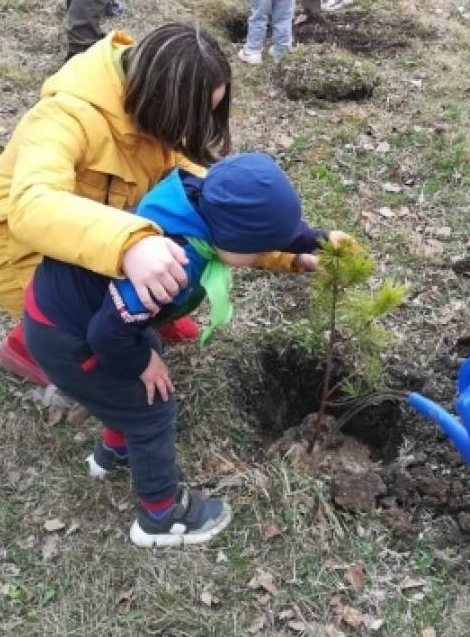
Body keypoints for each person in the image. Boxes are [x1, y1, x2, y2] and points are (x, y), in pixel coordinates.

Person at [23, 153, 342, 547]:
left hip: (75, 311)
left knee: (141, 362)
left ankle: (114, 452)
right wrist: (141, 363)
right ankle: (160, 517)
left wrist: (318, 240)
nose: (265, 255)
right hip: (70, 336)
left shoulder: (195, 197)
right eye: (260, 251)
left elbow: (263, 230)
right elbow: (107, 335)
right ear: (231, 240)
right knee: (150, 406)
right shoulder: (173, 266)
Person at [0, 23, 232, 389]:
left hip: (96, 228)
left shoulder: (148, 103)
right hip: (19, 248)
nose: (194, 128)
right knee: (112, 366)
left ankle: (147, 307)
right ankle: (29, 344)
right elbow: (33, 206)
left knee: (182, 216)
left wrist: (287, 245)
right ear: (163, 100)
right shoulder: (65, 116)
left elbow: (197, 187)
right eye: (191, 116)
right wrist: (131, 244)